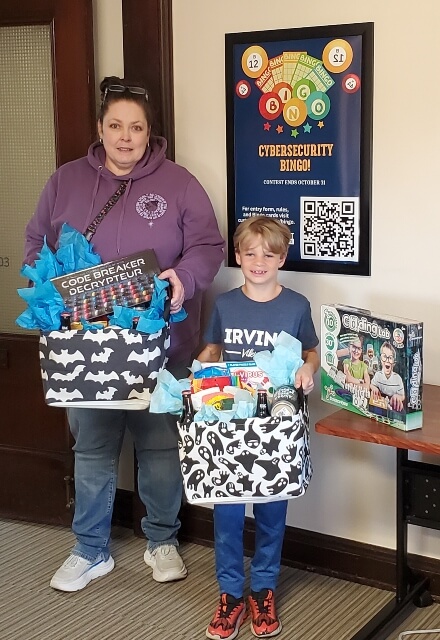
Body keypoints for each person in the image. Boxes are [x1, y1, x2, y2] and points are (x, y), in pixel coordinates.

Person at [23, 76, 225, 592]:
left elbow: (208, 246)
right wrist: (44, 282)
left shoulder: (179, 183)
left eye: (136, 127)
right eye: (115, 125)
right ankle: (90, 548)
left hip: (161, 348)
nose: (125, 137)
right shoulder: (65, 181)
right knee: (91, 447)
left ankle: (161, 540)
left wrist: (185, 278)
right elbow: (35, 244)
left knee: (159, 447)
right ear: (100, 129)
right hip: (84, 348)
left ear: (149, 131)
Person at [196, 216, 319, 639]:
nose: (259, 261)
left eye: (269, 254)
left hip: (277, 424)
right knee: (226, 511)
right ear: (238, 256)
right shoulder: (226, 305)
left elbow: (312, 351)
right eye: (250, 253)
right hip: (229, 422)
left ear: (282, 258)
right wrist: (199, 373)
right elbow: (212, 349)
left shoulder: (296, 306)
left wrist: (309, 368)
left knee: (272, 508)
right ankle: (230, 593)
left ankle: (263, 588)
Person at [370, 342, 405, 412]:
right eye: (384, 357)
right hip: (380, 405)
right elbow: (371, 385)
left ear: (394, 363)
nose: (387, 360)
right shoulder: (378, 375)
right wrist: (374, 388)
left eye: (390, 358)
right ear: (380, 359)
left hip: (393, 407)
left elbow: (402, 396)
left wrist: (398, 397)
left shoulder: (398, 379)